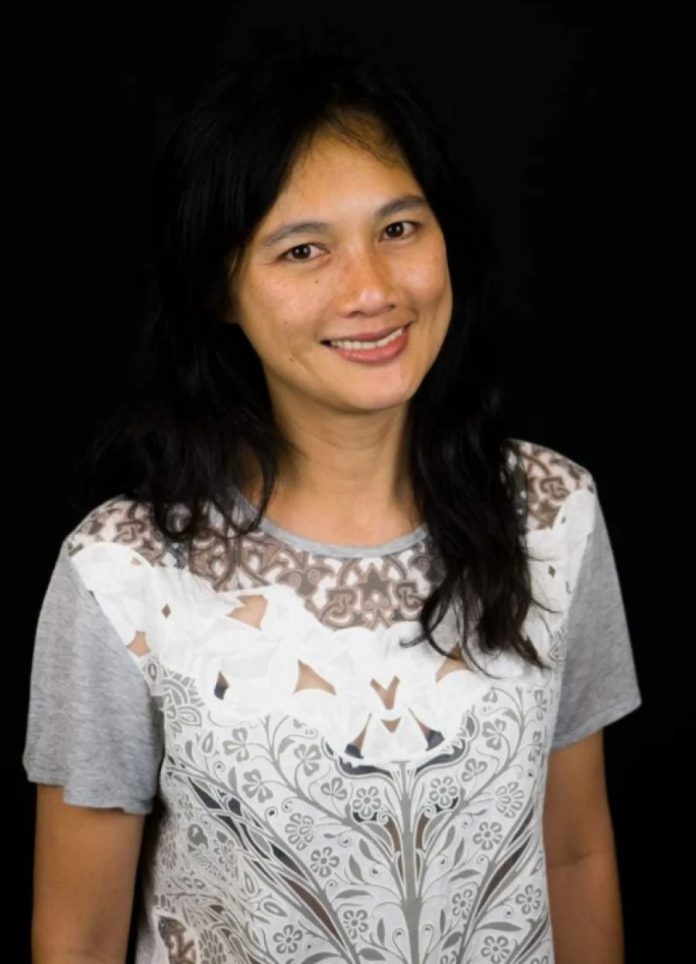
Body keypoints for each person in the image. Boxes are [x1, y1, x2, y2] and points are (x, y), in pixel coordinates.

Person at [23, 45, 642, 964]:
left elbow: (577, 853)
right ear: (219, 289)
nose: (372, 291)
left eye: (399, 228)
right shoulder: (121, 575)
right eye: (304, 250)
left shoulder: (552, 513)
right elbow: (77, 936)